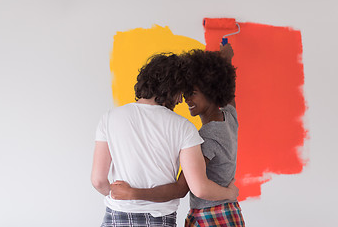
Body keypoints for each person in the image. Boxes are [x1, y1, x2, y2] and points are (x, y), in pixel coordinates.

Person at [91, 52, 239, 227]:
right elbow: (196, 187)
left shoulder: (109, 118)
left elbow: (98, 181)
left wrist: (118, 194)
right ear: (174, 89)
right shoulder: (185, 127)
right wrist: (230, 193)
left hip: (117, 216)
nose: (182, 99)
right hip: (161, 219)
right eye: (182, 92)